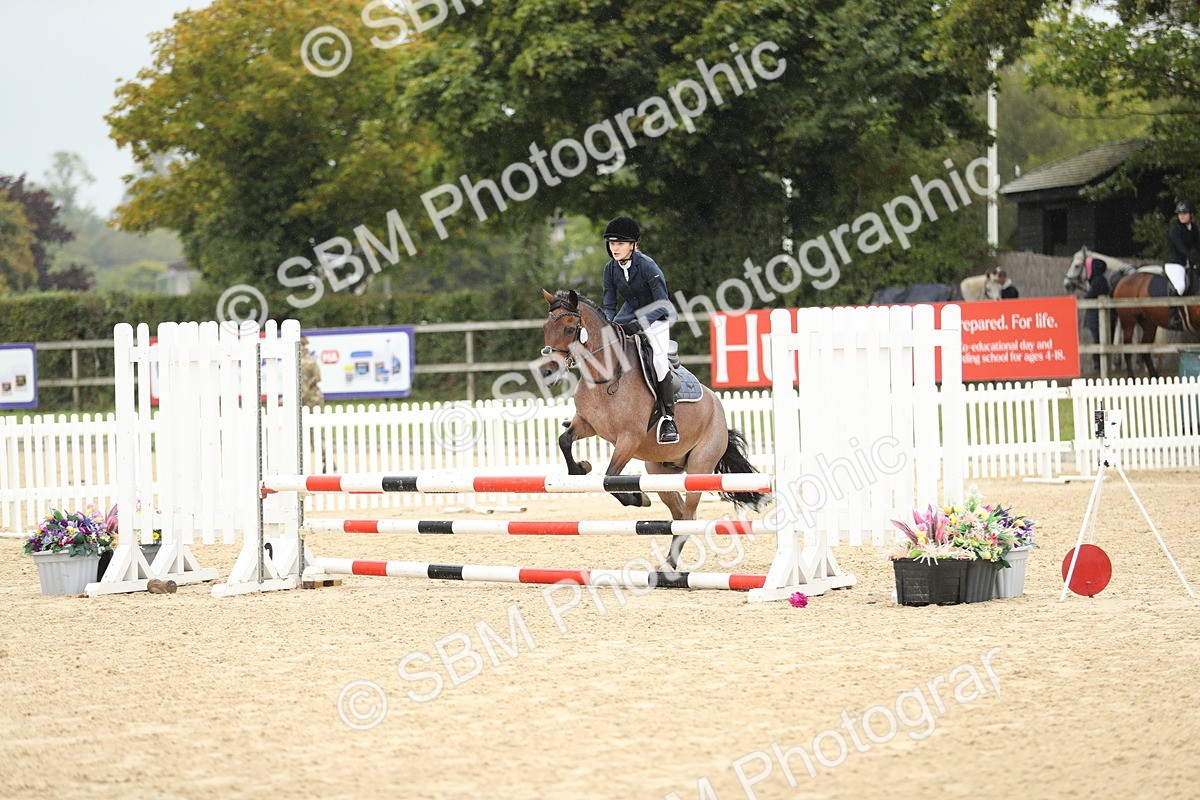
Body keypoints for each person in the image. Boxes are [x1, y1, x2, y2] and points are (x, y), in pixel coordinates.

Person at [600, 215, 679, 444]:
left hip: (657, 317)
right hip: (629, 312)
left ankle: (668, 418)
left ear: (633, 245)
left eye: (620, 244)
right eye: (612, 244)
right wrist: (609, 325)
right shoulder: (610, 269)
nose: (615, 248)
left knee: (659, 361)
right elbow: (609, 304)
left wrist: (640, 323)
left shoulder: (647, 265)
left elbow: (663, 303)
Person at [1165, 200, 1199, 327]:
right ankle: (1172, 315)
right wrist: (1193, 258)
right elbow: (1181, 248)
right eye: (1180, 213)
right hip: (1174, 264)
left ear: (1191, 215)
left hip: (1187, 263)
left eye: (1185, 213)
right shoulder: (1175, 228)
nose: (1182, 216)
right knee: (1180, 287)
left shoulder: (1193, 228)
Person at [300, 336, 324, 408]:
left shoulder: (310, 361)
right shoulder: (291, 360)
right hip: (297, 398)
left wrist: (306, 388)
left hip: (311, 397)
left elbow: (317, 377)